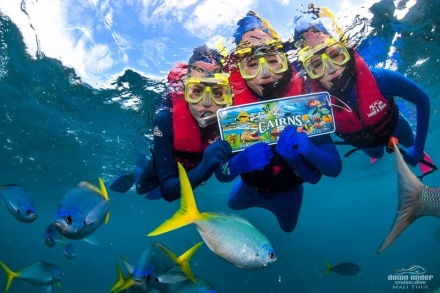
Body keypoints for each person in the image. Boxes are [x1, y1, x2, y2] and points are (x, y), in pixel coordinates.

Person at [215, 12, 342, 233]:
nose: (266, 74)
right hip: (250, 187)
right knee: (232, 204)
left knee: (288, 228)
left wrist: (309, 151)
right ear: (241, 72)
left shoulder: (305, 104)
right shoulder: (231, 109)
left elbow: (334, 167)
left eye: (273, 62)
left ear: (285, 63)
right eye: (253, 65)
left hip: (288, 192)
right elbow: (221, 173)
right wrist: (237, 164)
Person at [293, 19, 431, 167]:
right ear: (308, 72)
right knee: (376, 153)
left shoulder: (381, 78)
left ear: (345, 52)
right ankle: (379, 154)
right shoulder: (314, 107)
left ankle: (414, 152)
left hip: (398, 128)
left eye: (334, 55)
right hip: (368, 146)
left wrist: (418, 148)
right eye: (317, 64)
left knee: (410, 142)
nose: (331, 69)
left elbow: (422, 99)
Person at [110, 45, 232, 201]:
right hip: (169, 161)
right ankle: (135, 170)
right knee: (141, 188)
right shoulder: (166, 119)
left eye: (217, 93)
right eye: (197, 92)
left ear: (228, 96)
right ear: (186, 93)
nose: (206, 103)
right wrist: (204, 167)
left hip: (191, 168)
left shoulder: (232, 119)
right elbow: (168, 192)